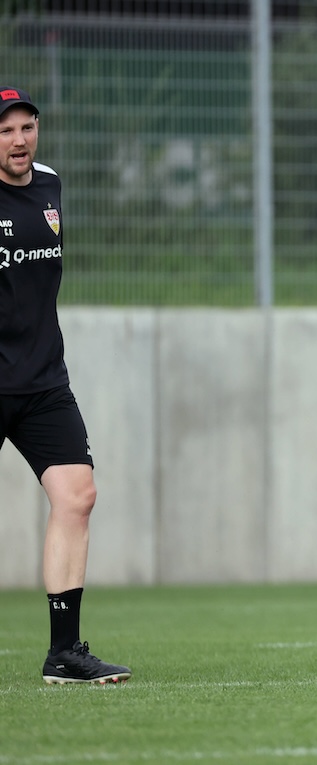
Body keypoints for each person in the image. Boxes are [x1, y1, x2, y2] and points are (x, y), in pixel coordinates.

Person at [0, 87, 131, 684]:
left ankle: (64, 652)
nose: (19, 140)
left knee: (78, 496)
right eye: (6, 132)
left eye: (27, 127)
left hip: (44, 381)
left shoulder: (50, 184)